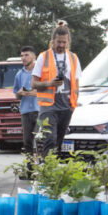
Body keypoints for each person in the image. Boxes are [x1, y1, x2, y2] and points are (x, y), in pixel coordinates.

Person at [31, 24, 81, 155]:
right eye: (59, 42)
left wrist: (73, 105)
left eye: (64, 42)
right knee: (50, 139)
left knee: (59, 142)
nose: (61, 45)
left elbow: (76, 83)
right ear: (53, 40)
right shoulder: (43, 57)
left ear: (68, 41)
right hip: (49, 106)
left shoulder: (73, 58)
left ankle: (52, 170)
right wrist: (50, 83)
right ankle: (47, 169)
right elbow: (33, 84)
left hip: (66, 106)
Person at [13, 46, 39, 160]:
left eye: (26, 55)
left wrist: (36, 93)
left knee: (39, 140)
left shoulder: (40, 72)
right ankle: (29, 169)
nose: (23, 58)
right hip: (25, 112)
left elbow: (48, 90)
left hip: (39, 111)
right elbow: (16, 95)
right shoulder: (19, 74)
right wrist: (20, 93)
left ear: (34, 56)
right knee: (27, 141)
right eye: (22, 55)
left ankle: (41, 168)